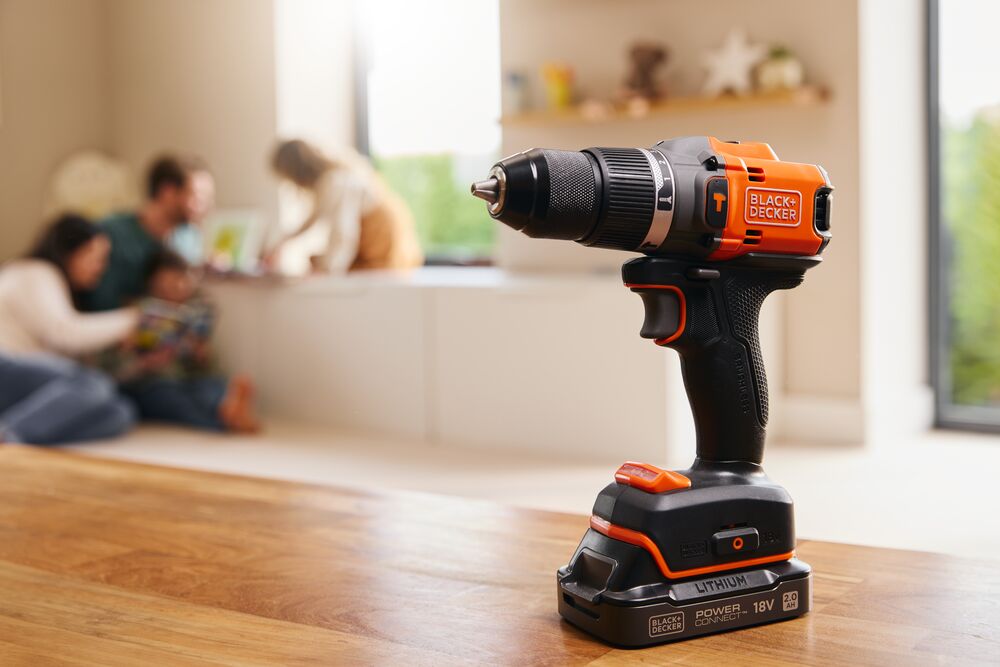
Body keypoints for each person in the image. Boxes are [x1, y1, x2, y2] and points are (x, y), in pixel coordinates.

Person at [0, 215, 139, 444]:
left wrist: (139, 362)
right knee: (92, 384)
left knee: (119, 412)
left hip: (20, 380)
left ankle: (17, 431)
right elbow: (63, 333)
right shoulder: (36, 272)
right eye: (96, 258)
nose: (101, 268)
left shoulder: (61, 289)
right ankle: (7, 435)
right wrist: (132, 319)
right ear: (72, 252)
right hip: (5, 365)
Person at [100, 248, 259, 433]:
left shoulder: (194, 311)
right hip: (151, 382)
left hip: (188, 379)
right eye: (168, 285)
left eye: (181, 282)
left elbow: (204, 366)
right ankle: (225, 419)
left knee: (212, 385)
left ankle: (227, 407)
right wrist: (138, 359)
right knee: (168, 399)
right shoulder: (135, 313)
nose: (177, 288)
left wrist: (200, 353)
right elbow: (114, 370)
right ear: (153, 284)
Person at [266, 139, 424, 273]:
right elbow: (311, 221)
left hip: (381, 245)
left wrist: (329, 271)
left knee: (322, 263)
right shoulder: (330, 180)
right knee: (316, 261)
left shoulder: (337, 181)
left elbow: (344, 232)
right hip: (375, 243)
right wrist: (280, 244)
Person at [81, 154, 214, 312]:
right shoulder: (110, 233)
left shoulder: (189, 238)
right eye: (198, 196)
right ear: (167, 192)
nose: (206, 206)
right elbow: (100, 305)